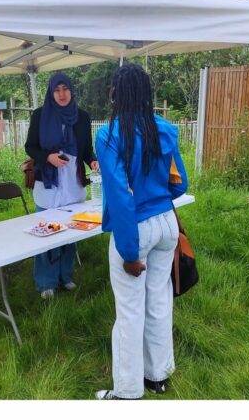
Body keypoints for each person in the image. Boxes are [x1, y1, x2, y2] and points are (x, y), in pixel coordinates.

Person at [94, 64, 188, 400]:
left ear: (116, 94)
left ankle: (128, 392)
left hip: (136, 229)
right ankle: (158, 375)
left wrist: (130, 254)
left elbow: (120, 198)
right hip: (166, 224)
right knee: (159, 301)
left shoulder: (108, 135)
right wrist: (159, 198)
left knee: (130, 312)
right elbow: (181, 183)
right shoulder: (166, 130)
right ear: (146, 94)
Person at [24, 73, 98, 298]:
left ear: (72, 91)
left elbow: (86, 149)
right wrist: (48, 158)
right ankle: (46, 282)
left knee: (71, 232)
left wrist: (92, 160)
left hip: (73, 183)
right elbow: (31, 147)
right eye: (57, 90)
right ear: (51, 92)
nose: (62, 94)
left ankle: (65, 276)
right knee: (47, 232)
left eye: (65, 89)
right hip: (49, 182)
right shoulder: (40, 115)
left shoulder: (82, 117)